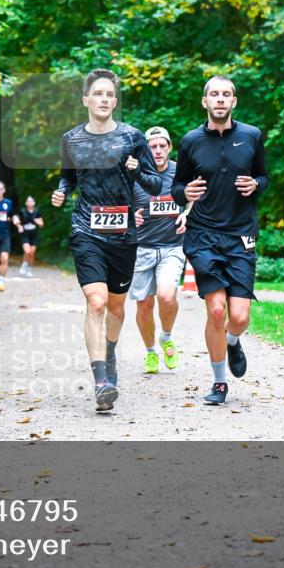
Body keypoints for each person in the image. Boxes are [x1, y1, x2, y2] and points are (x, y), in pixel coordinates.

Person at [51, 68, 161, 412]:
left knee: (115, 307)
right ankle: (101, 381)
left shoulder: (133, 137)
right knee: (96, 302)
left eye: (110, 95)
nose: (104, 99)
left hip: (123, 235)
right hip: (86, 230)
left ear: (115, 102)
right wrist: (61, 191)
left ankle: (109, 352)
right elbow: (68, 177)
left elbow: (156, 185)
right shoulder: (71, 140)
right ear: (86, 99)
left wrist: (136, 170)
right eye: (98, 93)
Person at [171, 75, 269, 406]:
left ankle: (232, 340)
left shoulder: (252, 135)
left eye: (226, 94)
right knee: (215, 309)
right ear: (205, 101)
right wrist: (185, 192)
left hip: (241, 234)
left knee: (239, 317)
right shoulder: (191, 141)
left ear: (234, 101)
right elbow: (176, 187)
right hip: (203, 234)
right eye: (214, 94)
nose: (220, 99)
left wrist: (256, 184)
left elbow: (264, 176)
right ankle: (219, 382)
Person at [130, 126, 187, 374]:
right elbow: (121, 204)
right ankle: (151, 351)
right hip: (142, 248)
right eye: (153, 146)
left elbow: (196, 198)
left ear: (170, 147)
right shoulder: (136, 174)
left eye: (162, 145)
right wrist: (131, 216)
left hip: (173, 246)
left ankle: (166, 337)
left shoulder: (180, 172)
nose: (158, 150)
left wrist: (188, 213)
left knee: (166, 296)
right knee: (144, 305)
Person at [17, 196, 44, 277]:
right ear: (26, 203)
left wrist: (37, 221)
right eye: (28, 201)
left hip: (34, 234)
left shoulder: (37, 211)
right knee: (27, 251)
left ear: (34, 203)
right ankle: (24, 265)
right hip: (25, 233)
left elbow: (42, 224)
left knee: (32, 253)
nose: (30, 203)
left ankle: (29, 269)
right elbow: (17, 221)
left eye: (31, 201)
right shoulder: (22, 211)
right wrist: (19, 226)